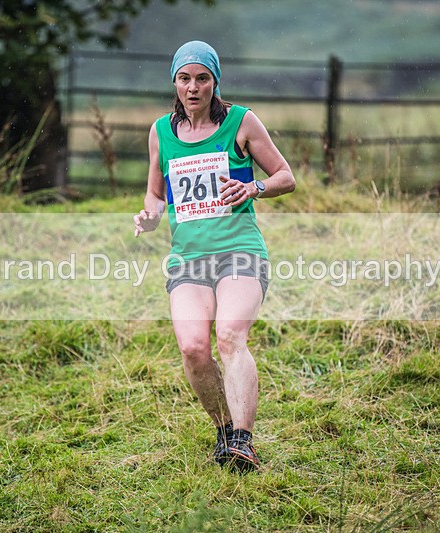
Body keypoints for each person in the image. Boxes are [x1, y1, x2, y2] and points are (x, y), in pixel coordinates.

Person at [133, 40, 295, 472]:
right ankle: (225, 432)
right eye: (184, 78)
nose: (193, 87)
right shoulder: (160, 132)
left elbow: (285, 176)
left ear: (215, 81)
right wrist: (149, 217)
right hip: (188, 259)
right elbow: (155, 191)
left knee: (229, 336)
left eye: (202, 78)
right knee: (192, 348)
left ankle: (244, 440)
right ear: (174, 82)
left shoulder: (241, 122)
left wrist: (253, 187)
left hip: (240, 250)